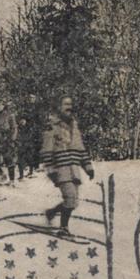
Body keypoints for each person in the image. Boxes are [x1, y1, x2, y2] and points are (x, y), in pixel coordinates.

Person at [40, 95, 94, 237]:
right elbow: (46, 149)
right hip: (60, 168)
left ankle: (51, 212)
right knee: (70, 198)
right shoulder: (52, 126)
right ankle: (63, 228)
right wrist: (51, 169)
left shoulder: (74, 126)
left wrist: (88, 167)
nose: (69, 107)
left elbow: (80, 148)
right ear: (59, 107)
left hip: (74, 169)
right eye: (65, 104)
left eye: (70, 104)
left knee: (73, 202)